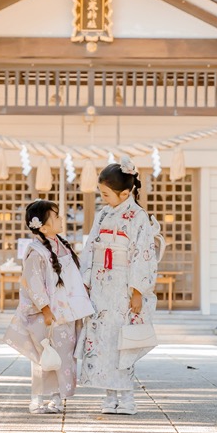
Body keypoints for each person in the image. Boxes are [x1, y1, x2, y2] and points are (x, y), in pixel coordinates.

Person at [78, 158, 163, 415]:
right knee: (103, 340)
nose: (102, 198)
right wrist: (87, 282)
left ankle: (127, 398)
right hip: (102, 286)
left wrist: (138, 291)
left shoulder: (138, 217)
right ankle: (109, 396)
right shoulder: (103, 214)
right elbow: (91, 247)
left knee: (123, 342)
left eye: (106, 194)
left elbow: (143, 255)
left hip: (125, 286)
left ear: (125, 193)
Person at [4, 199, 94, 414]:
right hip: (48, 314)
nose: (61, 219)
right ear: (43, 227)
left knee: (64, 356)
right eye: (56, 216)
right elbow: (33, 282)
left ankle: (57, 398)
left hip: (66, 312)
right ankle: (37, 398)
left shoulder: (61, 245)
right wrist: (45, 309)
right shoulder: (36, 251)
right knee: (44, 357)